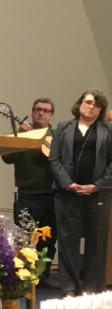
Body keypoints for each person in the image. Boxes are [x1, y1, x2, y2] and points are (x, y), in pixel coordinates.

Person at [49, 91, 112, 296]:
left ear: (101, 109)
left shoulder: (108, 130)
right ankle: (69, 288)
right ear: (80, 104)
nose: (91, 107)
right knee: (68, 242)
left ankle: (93, 288)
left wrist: (97, 185)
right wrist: (68, 184)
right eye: (88, 102)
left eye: (96, 104)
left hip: (97, 194)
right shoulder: (63, 128)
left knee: (97, 241)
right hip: (67, 193)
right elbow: (54, 159)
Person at [1, 98, 58, 271]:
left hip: (52, 195)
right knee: (23, 239)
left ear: (51, 116)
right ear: (32, 112)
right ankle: (22, 277)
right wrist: (20, 137)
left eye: (45, 110)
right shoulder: (21, 134)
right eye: (37, 109)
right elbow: (6, 157)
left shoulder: (57, 137)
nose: (41, 113)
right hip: (28, 195)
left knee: (48, 240)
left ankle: (42, 277)